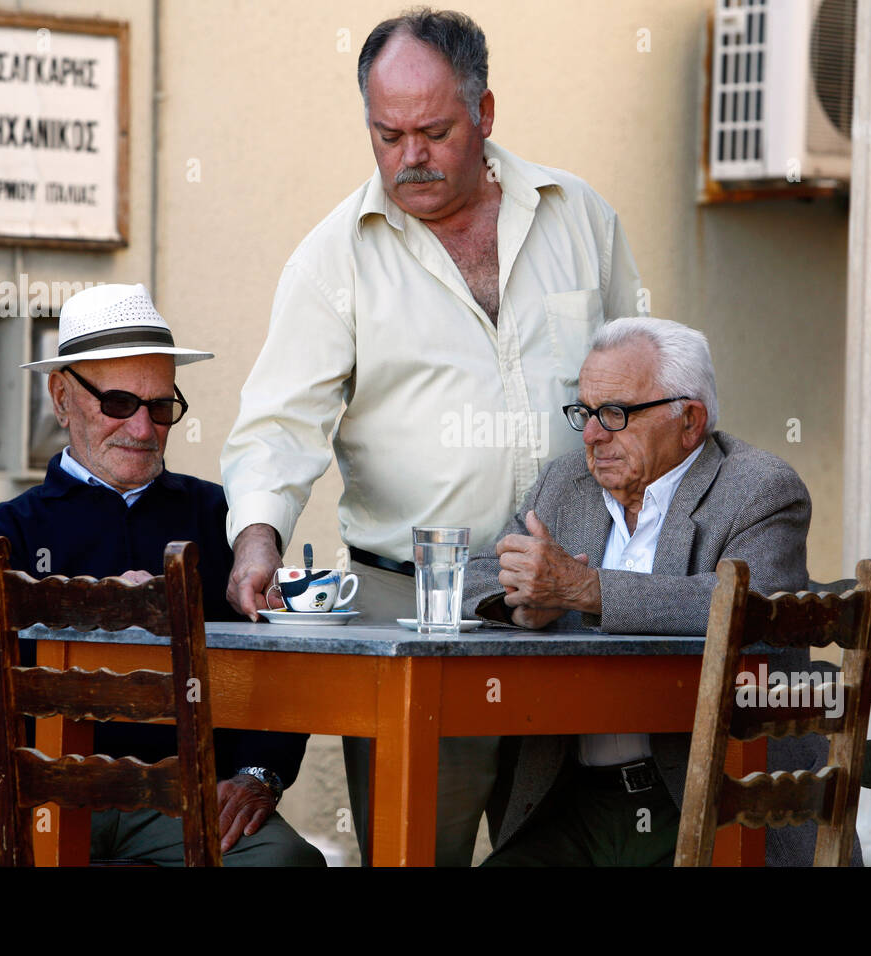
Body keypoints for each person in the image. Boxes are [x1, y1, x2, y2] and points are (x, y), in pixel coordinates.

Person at [220, 9, 642, 865]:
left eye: (434, 131)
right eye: (387, 134)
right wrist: (256, 537)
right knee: (420, 856)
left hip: (565, 614)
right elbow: (277, 426)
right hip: (413, 625)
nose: (409, 155)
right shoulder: (333, 257)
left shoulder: (579, 216)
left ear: (484, 112)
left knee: (567, 852)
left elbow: (642, 385)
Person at [0, 283, 324, 867]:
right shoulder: (12, 527)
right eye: (118, 404)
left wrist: (259, 775)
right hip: (30, 788)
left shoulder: (222, 517)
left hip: (178, 798)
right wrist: (82, 613)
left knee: (282, 860)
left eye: (160, 407)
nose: (142, 429)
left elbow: (280, 667)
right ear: (61, 398)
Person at [463, 316, 846, 866]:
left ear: (688, 419)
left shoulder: (760, 489)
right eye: (585, 413)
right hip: (572, 802)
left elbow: (747, 612)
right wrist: (521, 602)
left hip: (710, 798)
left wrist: (589, 590)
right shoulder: (565, 483)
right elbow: (480, 575)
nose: (593, 435)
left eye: (615, 414)